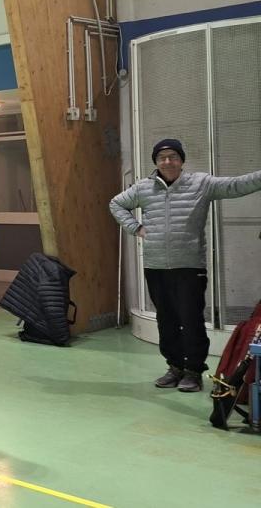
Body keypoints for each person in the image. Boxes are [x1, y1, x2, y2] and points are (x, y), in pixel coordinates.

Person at [110, 138, 261, 391]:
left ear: (181, 160)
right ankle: (175, 367)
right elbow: (116, 203)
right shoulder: (143, 188)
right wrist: (135, 228)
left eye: (172, 156)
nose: (167, 161)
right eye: (162, 157)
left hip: (190, 267)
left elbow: (237, 185)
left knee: (190, 319)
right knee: (166, 320)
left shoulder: (201, 184)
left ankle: (193, 370)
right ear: (155, 162)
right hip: (156, 266)